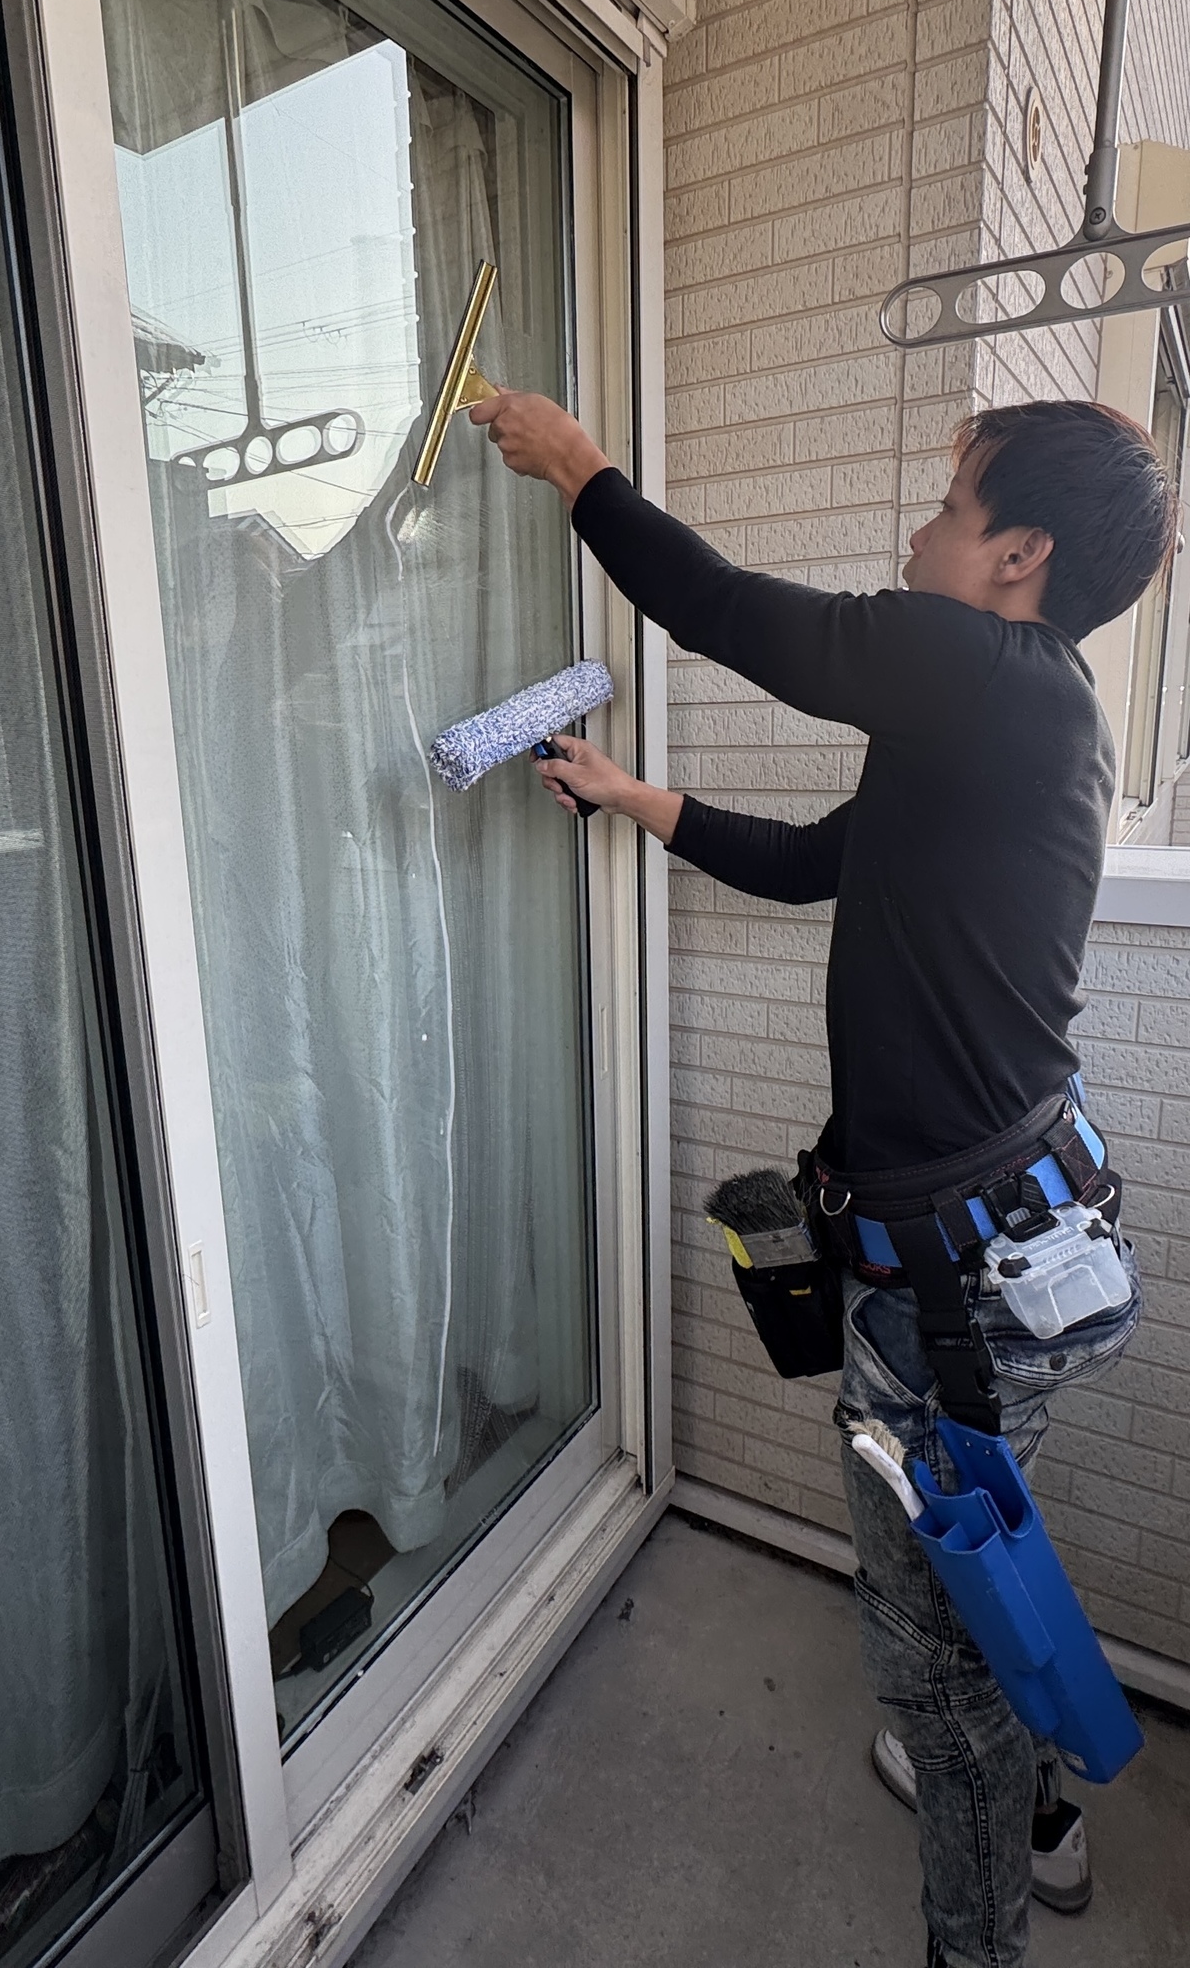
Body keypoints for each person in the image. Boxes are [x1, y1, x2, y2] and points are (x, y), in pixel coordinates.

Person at [468, 385, 1178, 1968]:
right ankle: (1032, 1811)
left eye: (950, 508)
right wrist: (632, 797)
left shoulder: (989, 678)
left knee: (934, 1670)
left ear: (1020, 557)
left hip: (961, 1285)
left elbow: (729, 612)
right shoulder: (1007, 725)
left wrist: (578, 468)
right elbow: (810, 863)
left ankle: (982, 1914)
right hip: (1012, 1239)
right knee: (978, 1582)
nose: (916, 535)